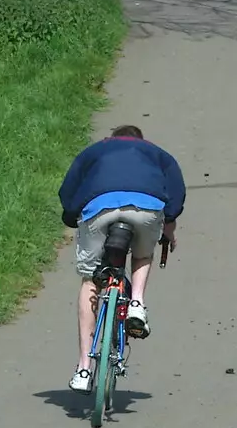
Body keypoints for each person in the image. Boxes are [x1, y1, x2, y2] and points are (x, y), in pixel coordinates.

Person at [57, 124, 186, 391]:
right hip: (146, 208)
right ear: (142, 140)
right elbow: (176, 188)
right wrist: (170, 221)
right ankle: (136, 302)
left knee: (90, 280)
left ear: (111, 139)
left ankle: (83, 368)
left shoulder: (95, 151)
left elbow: (69, 188)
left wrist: (71, 216)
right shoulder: (157, 153)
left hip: (99, 207)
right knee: (142, 254)